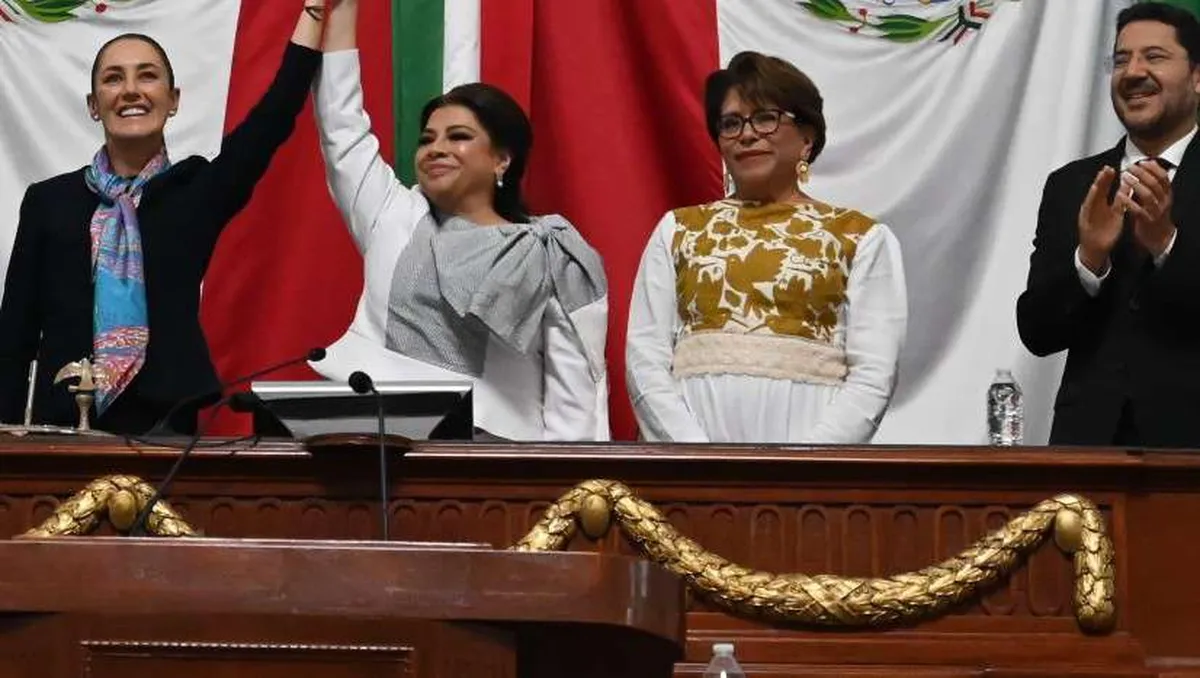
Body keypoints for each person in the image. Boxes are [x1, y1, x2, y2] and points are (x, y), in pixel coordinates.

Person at [0, 3, 326, 435]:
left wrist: (317, 12)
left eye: (147, 76)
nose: (131, 90)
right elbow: (13, 338)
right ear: (94, 104)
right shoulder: (49, 202)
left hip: (167, 433)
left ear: (173, 101)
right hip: (62, 432)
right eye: (113, 78)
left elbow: (275, 115)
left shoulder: (197, 191)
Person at [310, 0, 610, 441]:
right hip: (373, 442)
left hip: (494, 461)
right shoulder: (393, 214)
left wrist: (563, 492)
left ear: (502, 160)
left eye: (459, 137)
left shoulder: (548, 249)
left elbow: (576, 395)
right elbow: (342, 128)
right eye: (427, 139)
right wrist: (341, 11)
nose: (436, 148)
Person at [626, 51, 907, 444]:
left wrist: (802, 466)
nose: (747, 134)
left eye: (765, 117)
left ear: (807, 138)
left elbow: (874, 374)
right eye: (731, 123)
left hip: (809, 475)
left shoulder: (860, 237)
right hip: (688, 466)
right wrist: (694, 457)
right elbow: (645, 359)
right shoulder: (678, 230)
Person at [1017, 4, 1200, 448]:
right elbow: (1037, 332)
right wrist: (1089, 260)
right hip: (1089, 455)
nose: (1133, 72)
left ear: (1197, 76)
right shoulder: (1073, 185)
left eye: (1154, 57)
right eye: (1121, 60)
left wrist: (1166, 245)